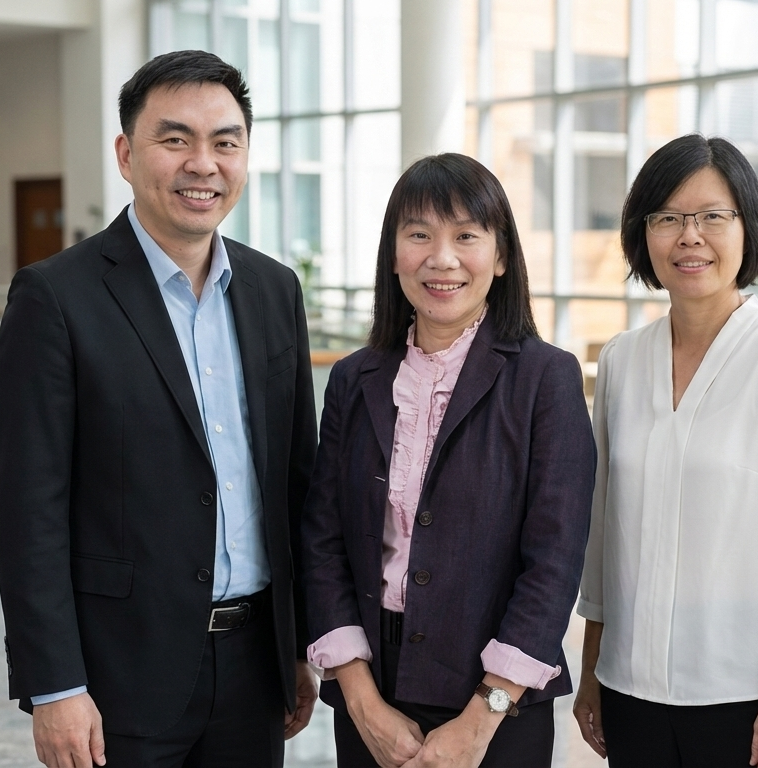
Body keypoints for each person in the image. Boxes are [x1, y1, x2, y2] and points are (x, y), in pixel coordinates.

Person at [0, 50, 318, 768]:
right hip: (118, 676)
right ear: (126, 154)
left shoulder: (274, 290)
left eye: (225, 142)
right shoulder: (55, 298)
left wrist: (299, 644)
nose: (203, 164)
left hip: (256, 668)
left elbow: (295, 480)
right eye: (175, 139)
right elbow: (27, 511)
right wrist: (56, 685)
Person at [301, 153, 596, 768]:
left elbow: (555, 561)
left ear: (501, 255)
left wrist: (483, 716)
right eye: (419, 235)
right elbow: (322, 541)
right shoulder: (354, 380)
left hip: (498, 699)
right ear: (393, 253)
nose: (442, 258)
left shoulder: (545, 379)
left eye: (466, 236)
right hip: (371, 688)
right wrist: (360, 699)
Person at [572, 134, 758, 768]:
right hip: (630, 689)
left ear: (749, 228)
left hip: (749, 695)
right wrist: (591, 670)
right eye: (667, 218)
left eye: (713, 216)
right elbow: (604, 534)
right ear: (644, 235)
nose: (689, 236)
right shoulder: (622, 360)